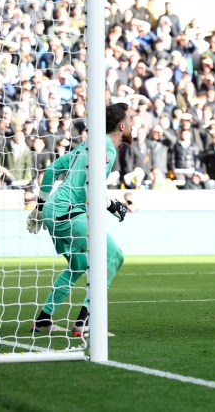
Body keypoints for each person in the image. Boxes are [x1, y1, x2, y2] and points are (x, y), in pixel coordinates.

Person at [27, 103, 132, 336]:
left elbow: (52, 170)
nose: (132, 124)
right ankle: (84, 322)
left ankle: (44, 319)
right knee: (114, 256)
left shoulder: (86, 144)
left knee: (77, 265)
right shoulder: (106, 148)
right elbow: (91, 185)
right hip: (69, 212)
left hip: (54, 210)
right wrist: (114, 206)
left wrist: (41, 208)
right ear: (122, 125)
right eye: (131, 119)